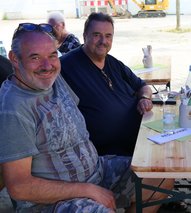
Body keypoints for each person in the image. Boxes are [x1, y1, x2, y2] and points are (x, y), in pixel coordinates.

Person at [0, 23, 135, 212]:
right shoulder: (13, 108)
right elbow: (19, 187)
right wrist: (88, 190)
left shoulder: (53, 79)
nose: (47, 65)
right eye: (35, 57)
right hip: (52, 202)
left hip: (97, 172)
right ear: (14, 59)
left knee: (156, 178)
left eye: (52, 55)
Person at [60, 12, 153, 156]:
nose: (103, 41)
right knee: (164, 172)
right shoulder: (66, 66)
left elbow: (143, 86)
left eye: (108, 36)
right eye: (97, 35)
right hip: (110, 154)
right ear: (85, 36)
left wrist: (144, 98)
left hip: (141, 136)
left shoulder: (113, 62)